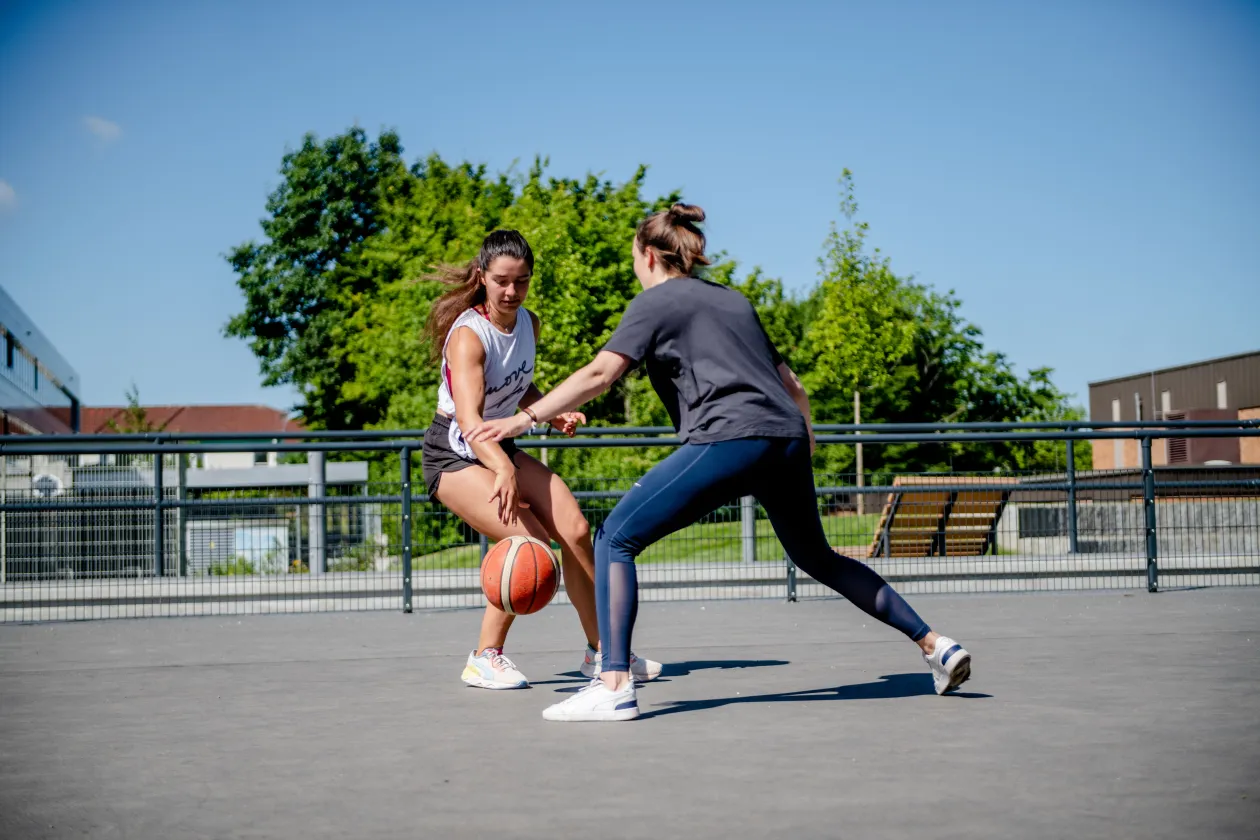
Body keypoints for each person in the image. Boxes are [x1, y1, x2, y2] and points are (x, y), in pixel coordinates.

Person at [467, 205, 972, 721]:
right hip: (786, 438)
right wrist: (804, 437)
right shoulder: (734, 300)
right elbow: (793, 385)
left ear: (648, 255)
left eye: (635, 259)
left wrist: (522, 419)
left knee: (614, 538)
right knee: (817, 557)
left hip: (731, 437)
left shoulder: (655, 302)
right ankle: (936, 645)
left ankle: (613, 683)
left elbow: (601, 374)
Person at [421, 229, 661, 690]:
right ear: (482, 277)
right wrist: (503, 468)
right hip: (453, 453)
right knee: (528, 545)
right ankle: (484, 657)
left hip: (498, 446)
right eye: (502, 281)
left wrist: (550, 412)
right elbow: (469, 421)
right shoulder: (469, 337)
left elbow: (517, 382)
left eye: (522, 281)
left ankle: (602, 651)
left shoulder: (528, 323)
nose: (512, 291)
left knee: (576, 530)